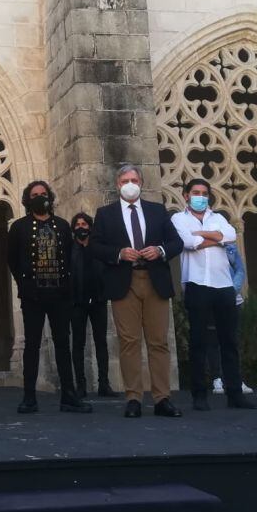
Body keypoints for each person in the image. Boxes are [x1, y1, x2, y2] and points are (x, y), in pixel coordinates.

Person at [90, 164, 184, 418]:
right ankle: (133, 398)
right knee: (129, 342)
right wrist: (118, 253)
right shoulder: (106, 214)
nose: (130, 184)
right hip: (125, 281)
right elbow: (95, 246)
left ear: (141, 183)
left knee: (158, 342)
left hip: (155, 279)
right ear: (117, 184)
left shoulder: (157, 211)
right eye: (124, 180)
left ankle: (162, 398)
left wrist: (160, 251)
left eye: (134, 179)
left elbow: (177, 242)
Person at [171, 179, 257, 411]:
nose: (201, 196)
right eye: (196, 192)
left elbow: (230, 236)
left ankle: (235, 394)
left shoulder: (219, 217)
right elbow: (187, 242)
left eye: (205, 193)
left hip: (223, 285)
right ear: (186, 195)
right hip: (197, 284)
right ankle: (199, 395)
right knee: (198, 341)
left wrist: (202, 235)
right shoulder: (178, 219)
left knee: (229, 341)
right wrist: (214, 238)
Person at [7, 180, 92, 414]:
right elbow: (12, 259)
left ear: (50, 197)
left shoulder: (63, 226)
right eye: (34, 194)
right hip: (33, 295)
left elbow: (70, 257)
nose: (39, 197)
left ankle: (69, 396)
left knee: (63, 344)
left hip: (60, 295)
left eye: (43, 194)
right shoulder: (19, 227)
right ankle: (29, 397)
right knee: (32, 345)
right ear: (27, 199)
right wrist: (24, 283)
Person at [70, 212, 117, 400]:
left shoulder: (98, 248)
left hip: (98, 299)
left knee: (101, 342)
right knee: (78, 344)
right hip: (77, 302)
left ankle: (103, 384)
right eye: (78, 224)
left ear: (90, 227)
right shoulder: (70, 249)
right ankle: (80, 385)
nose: (81, 227)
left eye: (84, 224)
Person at [207, 240, 254, 396]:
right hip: (210, 300)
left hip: (232, 299)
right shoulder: (199, 248)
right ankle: (217, 378)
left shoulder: (229, 247)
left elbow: (240, 270)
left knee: (231, 340)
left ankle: (235, 379)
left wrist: (230, 292)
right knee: (213, 341)